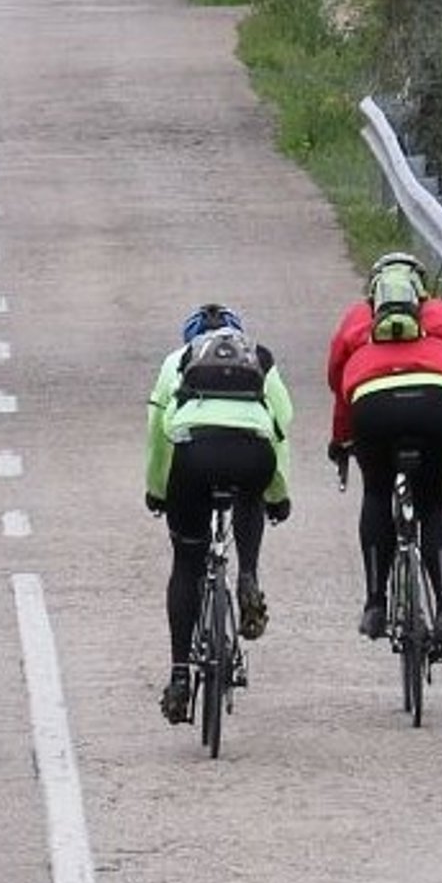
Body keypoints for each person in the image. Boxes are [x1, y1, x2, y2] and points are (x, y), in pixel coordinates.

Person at [325, 252, 442, 663]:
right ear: (419, 287)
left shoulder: (358, 319)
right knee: (432, 506)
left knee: (376, 493)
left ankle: (376, 602)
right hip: (437, 403)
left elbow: (339, 385)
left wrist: (340, 441)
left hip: (372, 406)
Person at [145, 303, 294, 724]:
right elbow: (279, 425)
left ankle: (178, 676)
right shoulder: (259, 357)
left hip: (195, 457)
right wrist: (277, 493)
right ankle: (248, 574)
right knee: (250, 494)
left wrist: (158, 490)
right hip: (251, 456)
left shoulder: (177, 361)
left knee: (187, 562)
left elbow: (158, 432)